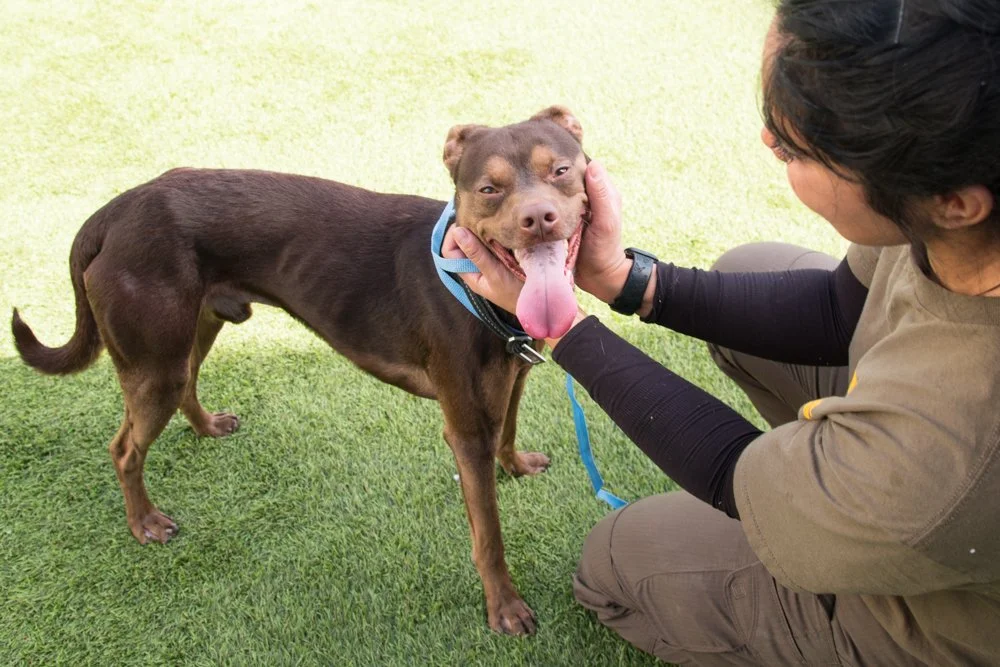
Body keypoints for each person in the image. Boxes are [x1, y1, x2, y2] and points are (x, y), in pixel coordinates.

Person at [442, 0, 1000, 664]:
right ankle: (837, 485)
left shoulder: (958, 439)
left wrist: (567, 331)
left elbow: (737, 474)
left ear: (955, 203)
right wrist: (627, 278)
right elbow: (837, 308)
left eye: (796, 143)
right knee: (747, 272)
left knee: (615, 561)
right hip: (916, 473)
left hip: (941, 617)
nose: (769, 141)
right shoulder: (961, 207)